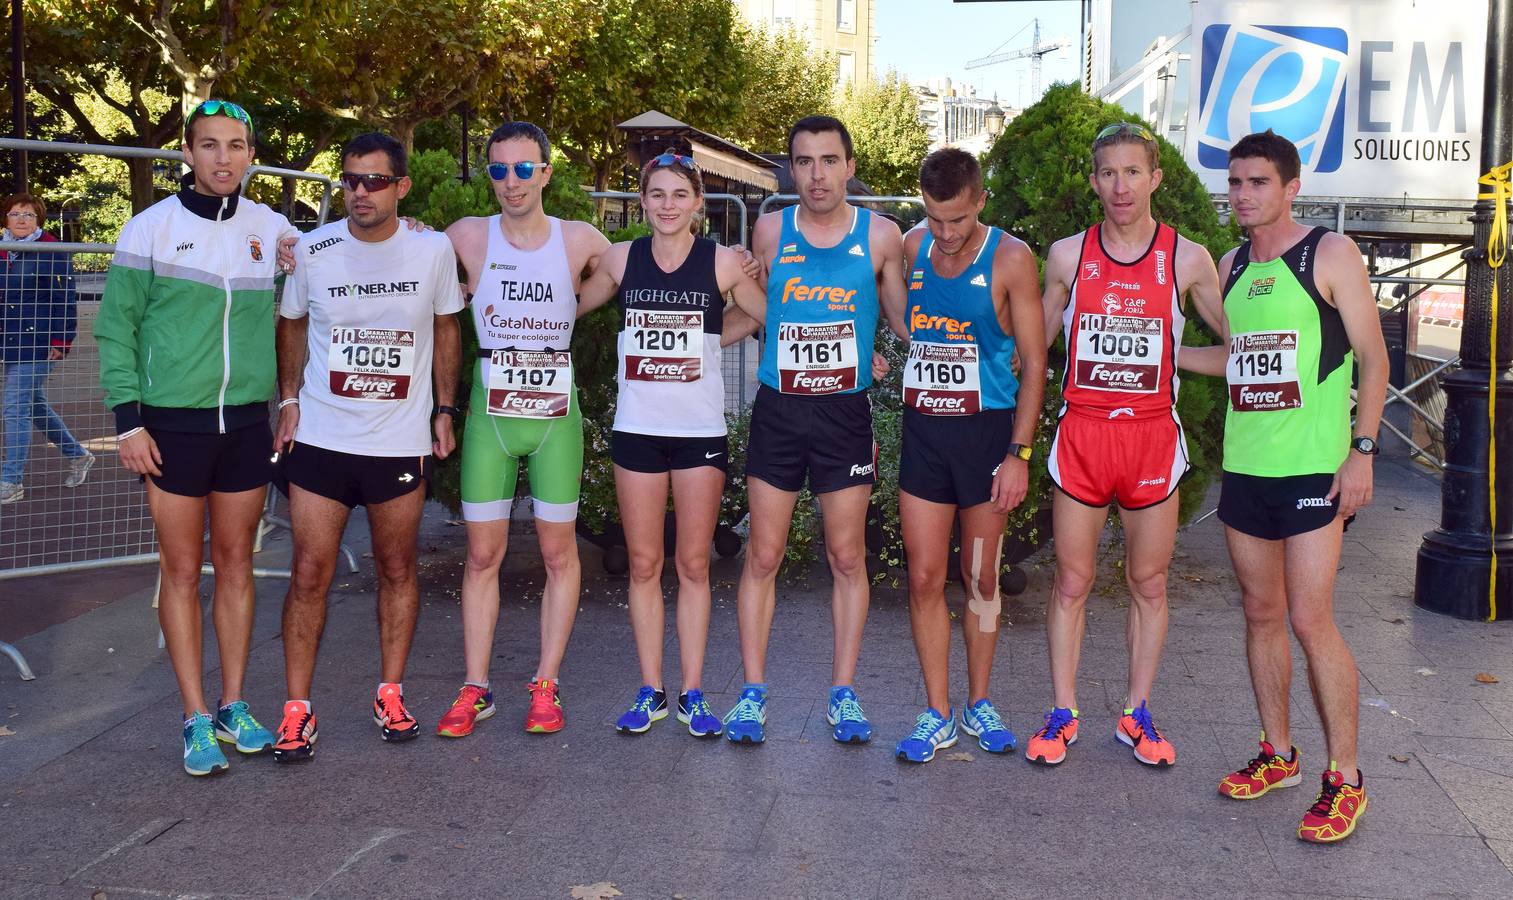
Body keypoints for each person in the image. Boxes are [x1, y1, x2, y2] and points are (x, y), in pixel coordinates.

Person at [1182, 130, 1386, 843]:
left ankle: (1347, 777)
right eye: (1234, 182)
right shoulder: (1230, 264)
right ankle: (1278, 753)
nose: (1241, 194)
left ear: (1289, 187)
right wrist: (1167, 356)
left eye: (1256, 182)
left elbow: (1372, 356)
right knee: (1260, 613)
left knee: (1309, 618)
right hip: (1245, 469)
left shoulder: (1325, 254)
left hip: (1311, 469)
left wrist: (1360, 453)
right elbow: (1237, 358)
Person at [94, 99, 297, 776]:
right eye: (209, 145)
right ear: (187, 152)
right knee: (182, 571)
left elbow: (341, 259)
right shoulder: (149, 228)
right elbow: (115, 329)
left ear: (249, 153)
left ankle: (233, 705)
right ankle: (192, 717)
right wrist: (128, 420)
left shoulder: (271, 228)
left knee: (237, 565)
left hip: (244, 423)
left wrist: (405, 227)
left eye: (236, 146)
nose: (223, 159)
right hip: (171, 426)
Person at [1030, 122, 1222, 768]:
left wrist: (1175, 357)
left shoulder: (1186, 257)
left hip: (1148, 439)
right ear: (1092, 181)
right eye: (1107, 173)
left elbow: (1237, 346)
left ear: (1155, 177)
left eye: (1132, 172)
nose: (1120, 186)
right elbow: (1034, 340)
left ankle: (1136, 713)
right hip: (1082, 435)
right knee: (1071, 581)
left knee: (1148, 581)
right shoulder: (1065, 254)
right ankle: (1062, 713)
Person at [267, 132, 463, 762]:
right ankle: (297, 708)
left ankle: (391, 690)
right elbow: (292, 322)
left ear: (402, 187)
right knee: (307, 572)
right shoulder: (314, 250)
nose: (360, 192)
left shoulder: (432, 250)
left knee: (398, 568)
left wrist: (444, 409)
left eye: (376, 181)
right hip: (323, 439)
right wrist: (290, 398)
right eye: (351, 180)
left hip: (398, 441)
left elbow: (445, 325)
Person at [727, 115, 908, 745]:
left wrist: (983, 347)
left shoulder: (882, 235)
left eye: (829, 160)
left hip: (844, 415)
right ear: (791, 169)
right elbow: (751, 309)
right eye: (804, 162)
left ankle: (844, 692)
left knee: (846, 555)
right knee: (764, 554)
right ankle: (752, 694)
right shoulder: (771, 230)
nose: (817, 175)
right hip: (779, 409)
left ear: (850, 165)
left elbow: (904, 316)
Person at [574, 151, 765, 737]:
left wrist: (714, 336)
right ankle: (651, 688)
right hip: (637, 430)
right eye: (656, 194)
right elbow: (567, 303)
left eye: (679, 194)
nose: (667, 205)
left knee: (692, 564)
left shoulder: (722, 263)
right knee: (642, 563)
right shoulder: (622, 257)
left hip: (698, 433)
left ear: (698, 203)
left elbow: (770, 317)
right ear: (642, 201)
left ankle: (694, 693)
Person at [435, 121, 610, 738]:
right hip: (491, 415)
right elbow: (399, 254)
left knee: (559, 553)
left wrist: (733, 258)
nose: (511, 183)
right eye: (499, 171)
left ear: (546, 173)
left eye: (523, 169)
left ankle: (546, 682)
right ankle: (475, 686)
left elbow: (646, 263)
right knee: (483, 553)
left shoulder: (580, 238)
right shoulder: (465, 235)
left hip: (556, 417)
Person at [892, 148, 1046, 763]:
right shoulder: (911, 247)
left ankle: (980, 701)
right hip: (925, 434)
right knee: (925, 576)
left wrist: (1020, 453)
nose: (946, 234)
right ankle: (938, 712)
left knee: (980, 576)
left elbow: (1034, 362)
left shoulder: (1010, 258)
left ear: (981, 200)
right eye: (934, 219)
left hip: (986, 439)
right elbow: (908, 319)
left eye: (956, 219)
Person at [2, 192, 93, 502]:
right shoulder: (3, 249)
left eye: (28, 215)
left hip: (40, 342)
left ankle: (11, 481)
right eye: (15, 214)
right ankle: (77, 454)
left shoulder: (51, 250)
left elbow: (65, 298)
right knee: (32, 405)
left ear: (39, 220)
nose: (21, 220)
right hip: (10, 341)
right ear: (6, 219)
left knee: (14, 407)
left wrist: (62, 340)